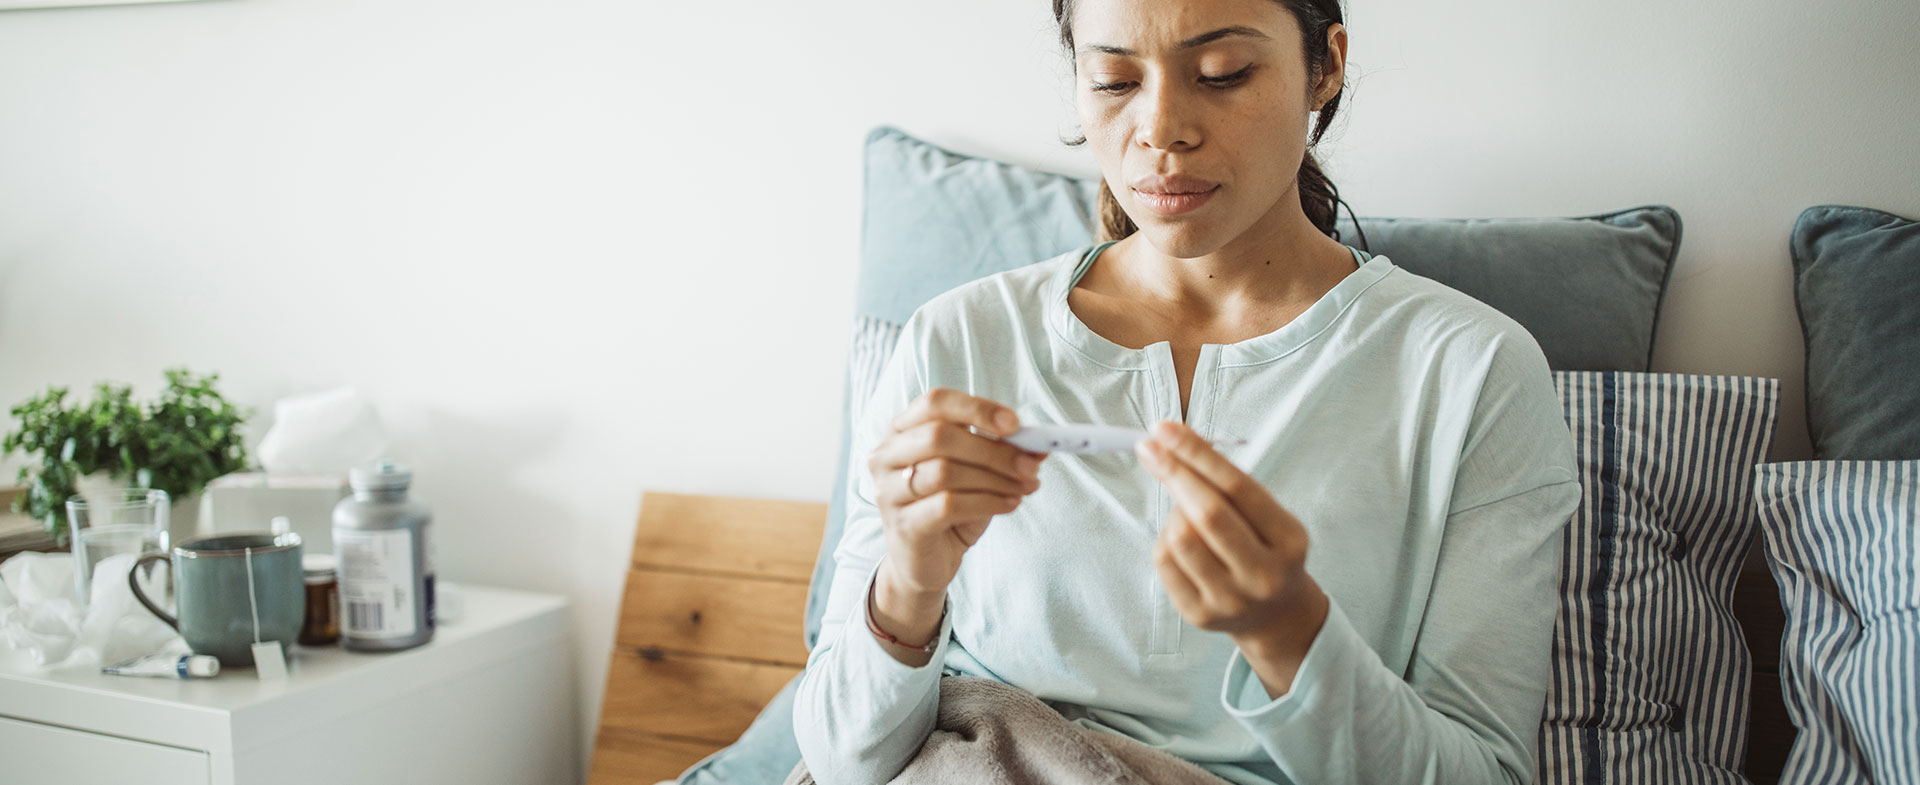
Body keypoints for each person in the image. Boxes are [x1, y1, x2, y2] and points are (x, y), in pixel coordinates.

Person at [793, 0, 1581, 783]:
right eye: (1112, 80)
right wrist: (908, 584)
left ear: (1326, 66)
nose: (1162, 128)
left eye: (1222, 74)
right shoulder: (958, 339)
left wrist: (1289, 632)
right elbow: (839, 761)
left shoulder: (1476, 372)